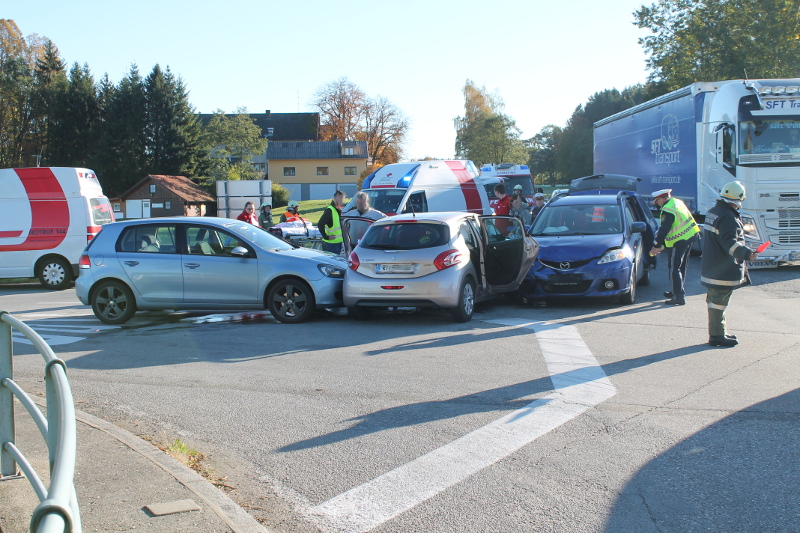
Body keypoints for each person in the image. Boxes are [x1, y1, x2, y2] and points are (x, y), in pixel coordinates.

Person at [701, 181, 759, 347]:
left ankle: (719, 332)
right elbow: (730, 244)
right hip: (721, 269)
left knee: (716, 302)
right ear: (739, 199)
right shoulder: (728, 217)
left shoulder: (713, 212)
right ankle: (717, 336)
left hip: (711, 266)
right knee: (719, 303)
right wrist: (748, 254)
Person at [648, 189, 700, 305]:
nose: (656, 203)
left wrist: (656, 245)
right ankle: (676, 291)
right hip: (690, 236)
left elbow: (664, 230)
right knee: (681, 267)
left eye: (657, 201)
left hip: (679, 241)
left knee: (674, 268)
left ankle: (678, 296)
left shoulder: (668, 210)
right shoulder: (676, 202)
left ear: (663, 198)